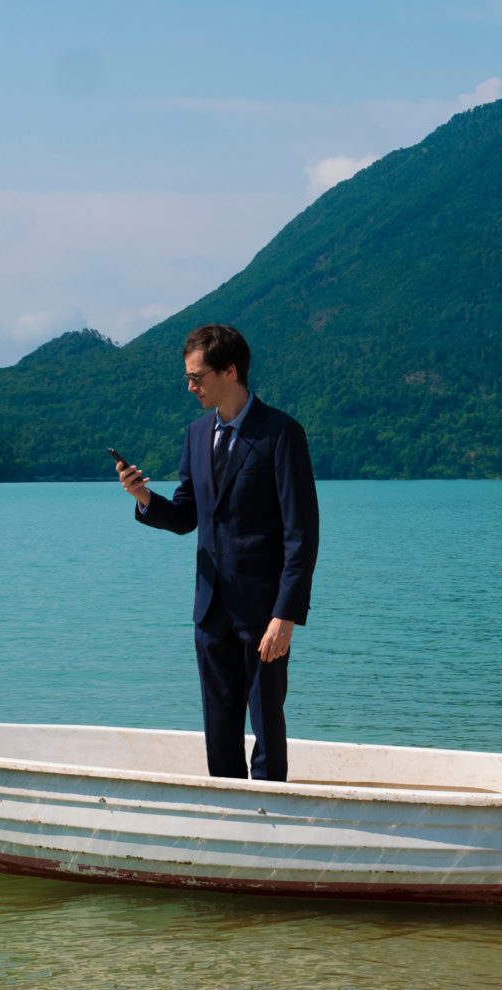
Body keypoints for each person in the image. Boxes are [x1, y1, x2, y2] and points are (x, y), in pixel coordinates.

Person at [117, 324, 319, 781]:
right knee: (218, 726)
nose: (191, 387)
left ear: (230, 371)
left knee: (267, 722)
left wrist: (285, 615)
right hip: (210, 609)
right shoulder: (195, 433)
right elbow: (188, 515)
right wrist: (144, 499)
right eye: (188, 378)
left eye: (198, 376)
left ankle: (269, 819)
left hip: (265, 611)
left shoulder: (282, 434)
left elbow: (301, 535)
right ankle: (227, 815)